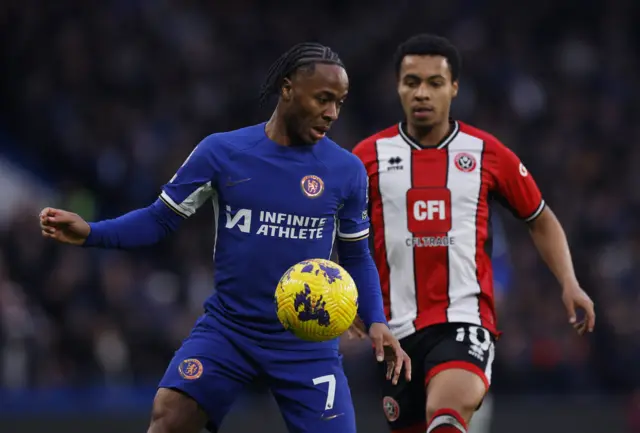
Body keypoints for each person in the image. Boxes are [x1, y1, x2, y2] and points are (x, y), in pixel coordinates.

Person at [39, 42, 411, 433]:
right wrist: (92, 233)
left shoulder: (346, 171)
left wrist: (376, 319)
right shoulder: (223, 152)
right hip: (230, 330)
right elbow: (158, 220)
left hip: (305, 342)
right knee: (168, 417)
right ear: (287, 89)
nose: (332, 113)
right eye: (323, 99)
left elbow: (356, 256)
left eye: (339, 102)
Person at [351, 34, 596, 433]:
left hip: (464, 321)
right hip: (394, 336)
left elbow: (540, 217)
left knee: (446, 415)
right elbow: (336, 231)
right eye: (412, 82)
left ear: (454, 88)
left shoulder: (486, 153)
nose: (422, 93)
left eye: (434, 82)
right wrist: (348, 298)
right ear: (397, 87)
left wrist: (569, 282)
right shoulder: (366, 157)